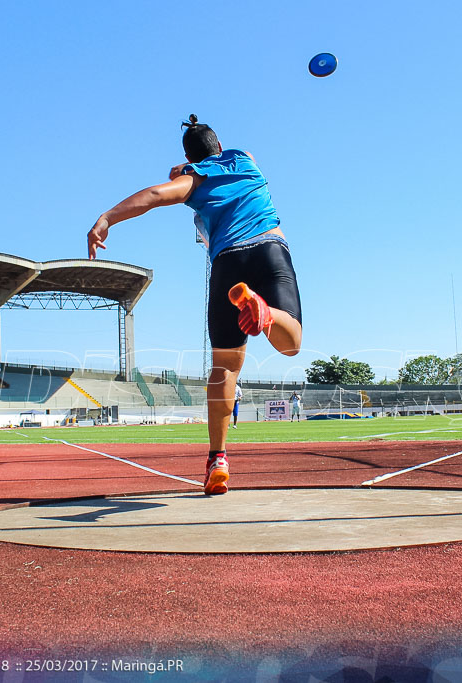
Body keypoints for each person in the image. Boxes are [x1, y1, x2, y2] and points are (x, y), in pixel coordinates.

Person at [88, 115, 303, 495]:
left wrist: (107, 218)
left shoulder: (192, 182)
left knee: (223, 370)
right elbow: (221, 153)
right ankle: (266, 313)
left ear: (189, 158)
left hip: (227, 263)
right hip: (270, 249)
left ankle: (217, 459)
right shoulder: (247, 160)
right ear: (219, 147)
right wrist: (194, 161)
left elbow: (154, 197)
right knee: (291, 344)